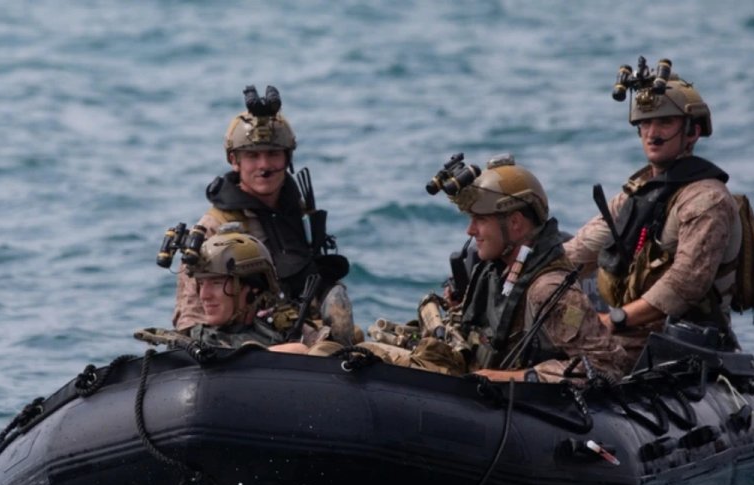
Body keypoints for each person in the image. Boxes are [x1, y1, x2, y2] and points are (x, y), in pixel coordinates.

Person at [357, 154, 626, 383]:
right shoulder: (495, 269)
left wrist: (509, 378)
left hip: (496, 401)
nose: (470, 230)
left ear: (516, 224)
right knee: (355, 351)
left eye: (480, 220)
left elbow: (606, 366)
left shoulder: (548, 290)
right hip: (465, 373)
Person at [564, 58, 743, 361]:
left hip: (683, 341)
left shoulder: (706, 201)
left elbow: (685, 284)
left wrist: (613, 320)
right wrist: (524, 276)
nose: (652, 133)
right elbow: (581, 249)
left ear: (692, 132)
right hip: (632, 328)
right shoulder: (639, 192)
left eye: (665, 122)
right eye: (645, 123)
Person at [172, 84, 355, 344]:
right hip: (249, 347)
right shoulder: (213, 228)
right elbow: (190, 320)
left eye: (273, 154)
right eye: (252, 156)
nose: (264, 166)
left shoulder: (298, 215)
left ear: (287, 157)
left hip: (302, 333)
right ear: (234, 161)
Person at [141, 229, 326, 350]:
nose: (204, 296)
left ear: (253, 288)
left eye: (215, 283)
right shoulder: (188, 343)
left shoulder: (289, 333)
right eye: (202, 284)